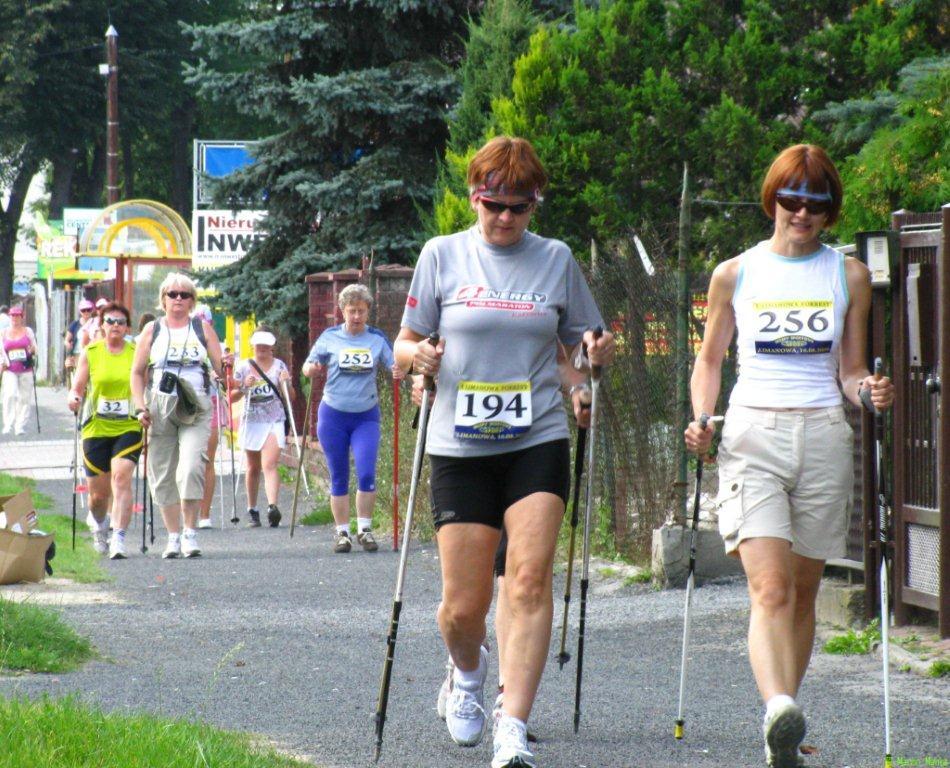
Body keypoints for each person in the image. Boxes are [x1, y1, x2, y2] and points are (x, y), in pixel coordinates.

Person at [394, 135, 614, 768]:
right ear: (474, 197)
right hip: (460, 444)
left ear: (534, 204)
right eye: (494, 205)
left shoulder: (556, 259)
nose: (506, 218)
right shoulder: (442, 255)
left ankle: (511, 723)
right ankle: (466, 673)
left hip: (536, 438)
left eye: (520, 206)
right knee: (464, 608)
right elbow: (404, 343)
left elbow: (581, 347)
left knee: (528, 579)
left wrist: (590, 371)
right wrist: (420, 358)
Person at [683, 144, 895, 768]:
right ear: (772, 197)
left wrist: (870, 392)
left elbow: (852, 371)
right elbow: (710, 360)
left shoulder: (848, 274)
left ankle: (785, 729)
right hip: (752, 436)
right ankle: (777, 706)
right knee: (769, 589)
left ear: (831, 212)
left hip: (825, 435)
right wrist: (701, 418)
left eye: (817, 203)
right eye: (791, 199)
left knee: (803, 594)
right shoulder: (735, 272)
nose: (802, 212)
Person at [303, 283, 403, 553]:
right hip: (333, 415)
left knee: (367, 470)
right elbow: (307, 366)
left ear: (368, 311)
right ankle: (343, 533)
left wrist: (399, 371)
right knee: (339, 475)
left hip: (365, 416)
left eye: (361, 311)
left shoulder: (376, 339)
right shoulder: (329, 337)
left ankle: (366, 530)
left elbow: (394, 363)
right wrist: (311, 369)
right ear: (342, 311)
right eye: (351, 311)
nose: (356, 316)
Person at [131, 274, 224, 559]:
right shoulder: (152, 330)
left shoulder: (203, 329)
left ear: (193, 300)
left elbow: (220, 369)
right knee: (161, 472)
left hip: (195, 405)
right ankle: (172, 536)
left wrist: (222, 370)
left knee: (191, 467)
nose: (179, 299)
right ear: (163, 299)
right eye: (173, 294)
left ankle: (190, 532)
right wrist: (139, 407)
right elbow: (136, 372)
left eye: (185, 295)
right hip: (160, 406)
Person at [66, 302, 143, 558]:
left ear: (127, 327)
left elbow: (145, 383)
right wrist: (74, 397)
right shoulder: (92, 351)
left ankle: (119, 537)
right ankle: (99, 525)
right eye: (110, 321)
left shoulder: (136, 352)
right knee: (98, 497)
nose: (115, 326)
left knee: (121, 477)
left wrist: (145, 408)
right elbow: (78, 385)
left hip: (128, 425)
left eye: (121, 322)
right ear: (102, 325)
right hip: (96, 427)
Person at [231, 326, 292, 528]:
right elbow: (230, 397)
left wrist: (286, 384)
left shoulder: (279, 366)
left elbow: (290, 398)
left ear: (272, 346)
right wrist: (243, 387)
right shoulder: (243, 367)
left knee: (270, 464)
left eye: (266, 345)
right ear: (253, 345)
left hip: (274, 419)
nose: (262, 348)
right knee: (253, 467)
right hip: (252, 421)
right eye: (259, 345)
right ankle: (252, 508)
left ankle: (272, 507)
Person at [193, 305, 220, 530]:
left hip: (210, 405)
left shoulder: (215, 347)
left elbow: (224, 375)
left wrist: (222, 372)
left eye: (206, 324)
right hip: (185, 407)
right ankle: (187, 511)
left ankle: (205, 513)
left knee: (207, 460)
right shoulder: (184, 344)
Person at [0, 306, 38, 436]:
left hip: (25, 367)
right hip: (9, 369)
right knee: (9, 394)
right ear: (9, 317)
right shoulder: (3, 332)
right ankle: (8, 424)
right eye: (12, 315)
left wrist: (32, 350)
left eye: (17, 315)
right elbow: (1, 350)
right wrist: (2, 363)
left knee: (24, 397)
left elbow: (35, 348)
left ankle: (20, 425)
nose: (15, 318)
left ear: (22, 317)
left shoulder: (28, 331)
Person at [64, 299, 95, 380]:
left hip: (92, 352)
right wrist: (68, 344)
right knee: (80, 373)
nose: (86, 312)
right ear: (80, 311)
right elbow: (67, 339)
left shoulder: (95, 323)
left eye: (88, 310)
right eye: (83, 310)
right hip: (78, 353)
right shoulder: (75, 324)